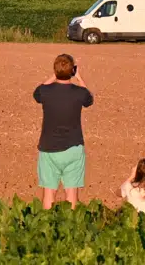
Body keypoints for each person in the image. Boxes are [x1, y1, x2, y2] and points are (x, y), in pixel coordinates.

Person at [34, 53, 93, 210]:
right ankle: (71, 225)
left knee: (49, 193)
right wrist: (79, 78)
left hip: (48, 148)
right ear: (72, 70)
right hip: (73, 148)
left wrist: (55, 75)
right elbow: (89, 99)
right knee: (72, 193)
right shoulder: (79, 93)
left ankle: (47, 223)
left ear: (55, 70)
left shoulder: (46, 92)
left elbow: (37, 93)